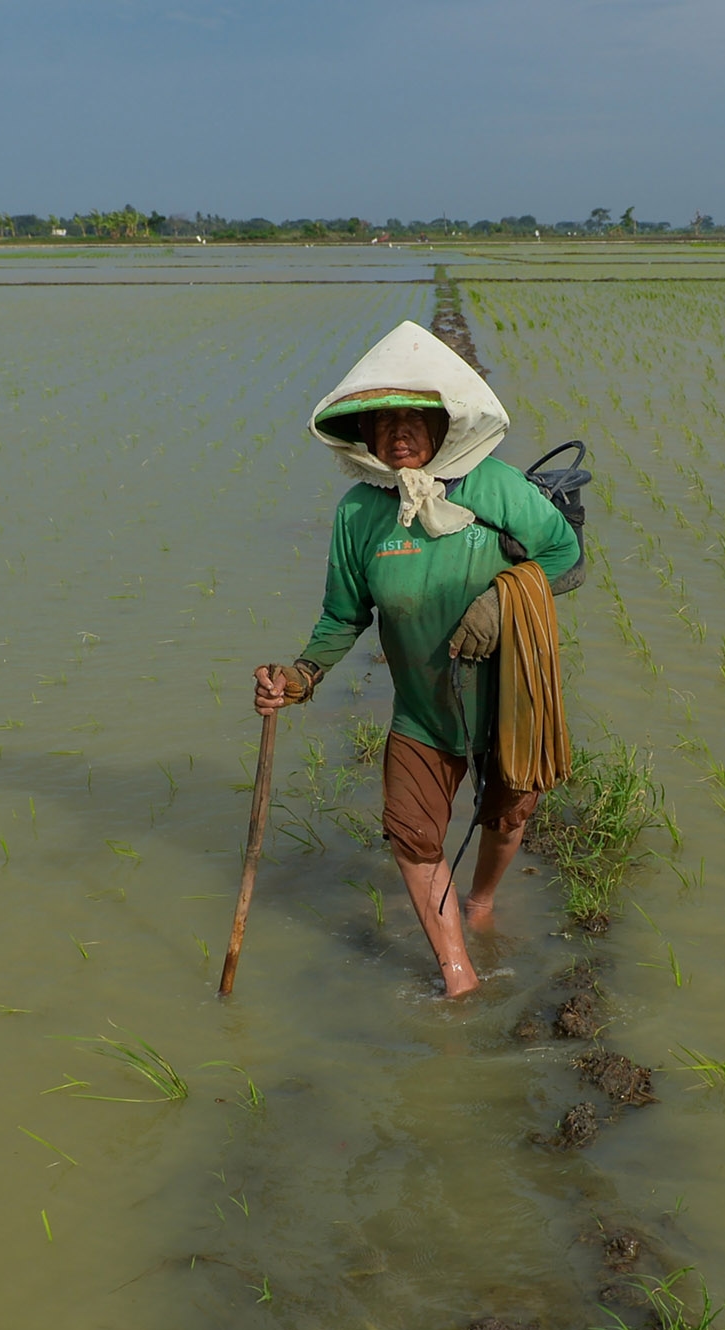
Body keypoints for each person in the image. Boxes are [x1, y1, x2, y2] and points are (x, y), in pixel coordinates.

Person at [254, 320, 579, 997]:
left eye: (414, 419)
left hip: (508, 696)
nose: (398, 433)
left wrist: (501, 598)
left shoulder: (495, 487)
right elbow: (344, 615)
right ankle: (457, 974)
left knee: (510, 812)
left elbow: (565, 555)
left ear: (444, 425)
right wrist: (298, 676)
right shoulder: (359, 514)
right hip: (424, 708)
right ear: (366, 437)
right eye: (383, 422)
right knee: (411, 832)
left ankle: (483, 899)